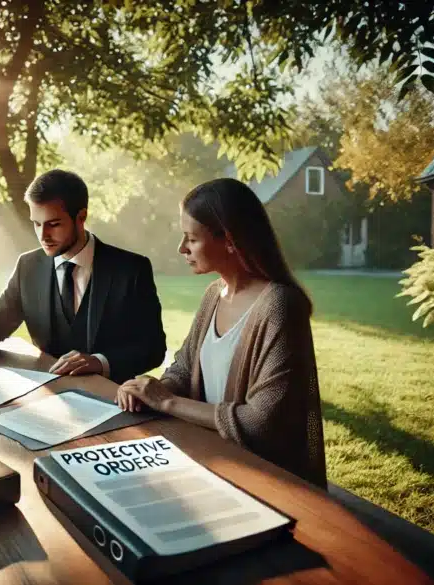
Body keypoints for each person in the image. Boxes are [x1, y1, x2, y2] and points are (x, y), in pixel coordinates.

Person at [116, 178, 327, 488]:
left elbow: (262, 422)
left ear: (229, 240)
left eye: (192, 239)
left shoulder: (281, 306)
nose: (181, 248)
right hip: (211, 462)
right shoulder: (214, 294)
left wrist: (167, 402)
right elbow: (184, 368)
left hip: (266, 479)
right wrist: (148, 391)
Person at [0, 169, 166, 385]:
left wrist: (100, 362)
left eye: (53, 224)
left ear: (81, 217)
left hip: (111, 395)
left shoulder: (131, 270)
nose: (43, 235)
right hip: (45, 395)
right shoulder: (28, 266)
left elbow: (154, 348)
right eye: (37, 224)